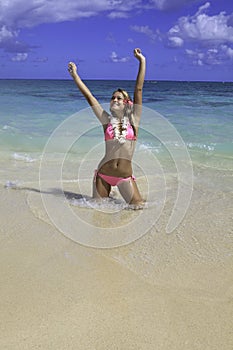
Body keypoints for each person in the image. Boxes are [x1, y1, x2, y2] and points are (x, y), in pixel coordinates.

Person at [68, 48, 146, 208]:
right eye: (112, 98)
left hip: (124, 177)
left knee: (138, 207)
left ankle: (116, 192)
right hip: (103, 175)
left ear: (127, 103)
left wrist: (142, 61)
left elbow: (138, 89)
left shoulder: (134, 121)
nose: (114, 100)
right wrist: (75, 76)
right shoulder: (106, 120)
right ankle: (108, 192)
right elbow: (90, 97)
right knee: (98, 212)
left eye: (119, 98)